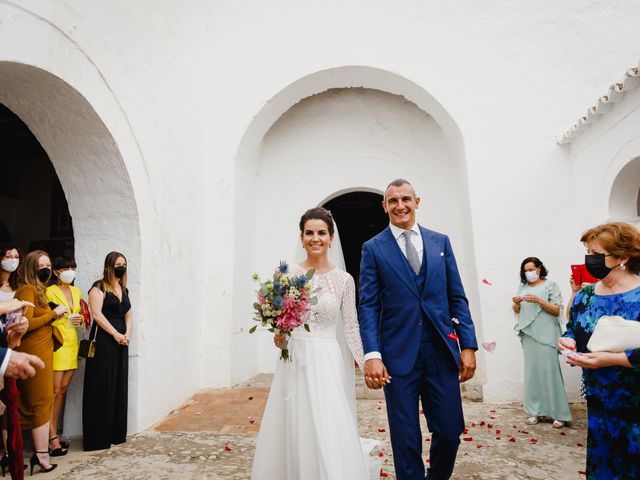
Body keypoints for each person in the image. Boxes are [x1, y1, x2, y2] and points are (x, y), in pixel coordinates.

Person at [359, 179, 478, 480]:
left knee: (450, 431)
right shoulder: (373, 249)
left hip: (440, 349)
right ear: (384, 205)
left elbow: (457, 297)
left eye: (406, 199)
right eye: (393, 200)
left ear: (417, 201)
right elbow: (369, 305)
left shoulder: (441, 242)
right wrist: (372, 353)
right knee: (405, 437)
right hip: (397, 354)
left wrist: (468, 345)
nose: (400, 205)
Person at [251, 208, 380, 480]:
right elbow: (282, 324)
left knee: (327, 422)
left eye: (321, 232)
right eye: (309, 233)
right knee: (296, 423)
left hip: (327, 359)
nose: (315, 238)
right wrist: (280, 336)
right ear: (301, 238)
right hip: (295, 358)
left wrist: (366, 360)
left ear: (331, 238)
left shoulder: (344, 280)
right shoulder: (287, 276)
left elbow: (351, 326)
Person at [558, 222, 640, 479]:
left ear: (623, 257)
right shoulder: (585, 297)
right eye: (587, 253)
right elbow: (572, 329)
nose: (590, 260)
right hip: (601, 402)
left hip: (635, 402)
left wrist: (613, 359)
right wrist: (567, 342)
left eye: (597, 255)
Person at [14, 251, 66, 474]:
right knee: (38, 402)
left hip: (44, 350)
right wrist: (53, 315)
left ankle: (41, 453)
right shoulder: (27, 289)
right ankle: (40, 455)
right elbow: (26, 324)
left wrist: (53, 316)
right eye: (41, 265)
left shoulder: (41, 290)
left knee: (43, 401)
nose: (45, 268)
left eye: (48, 264)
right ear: (30, 267)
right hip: (33, 351)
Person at [512, 257, 571, 428]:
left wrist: (538, 300)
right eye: (525, 270)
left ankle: (559, 414)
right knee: (532, 374)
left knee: (550, 373)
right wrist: (516, 303)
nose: (529, 272)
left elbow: (556, 310)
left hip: (546, 335)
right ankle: (535, 412)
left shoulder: (550, 285)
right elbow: (517, 310)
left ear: (539, 269)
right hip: (528, 334)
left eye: (531, 269)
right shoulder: (523, 287)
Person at [82, 252, 132, 451]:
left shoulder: (124, 288)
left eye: (124, 264)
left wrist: (126, 333)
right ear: (109, 266)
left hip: (122, 341)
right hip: (104, 339)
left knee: (118, 383)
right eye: (118, 264)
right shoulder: (99, 287)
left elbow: (128, 313)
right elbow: (96, 314)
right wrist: (115, 334)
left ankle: (115, 433)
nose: (121, 267)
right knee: (103, 384)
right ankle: (98, 437)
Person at [46, 256, 83, 456]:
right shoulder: (49, 291)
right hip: (57, 342)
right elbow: (48, 318)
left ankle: (52, 434)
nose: (70, 270)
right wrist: (63, 318)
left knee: (62, 390)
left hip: (72, 342)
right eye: (65, 267)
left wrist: (80, 318)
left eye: (72, 267)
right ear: (56, 271)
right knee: (53, 391)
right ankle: (51, 437)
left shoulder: (76, 291)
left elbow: (81, 315)